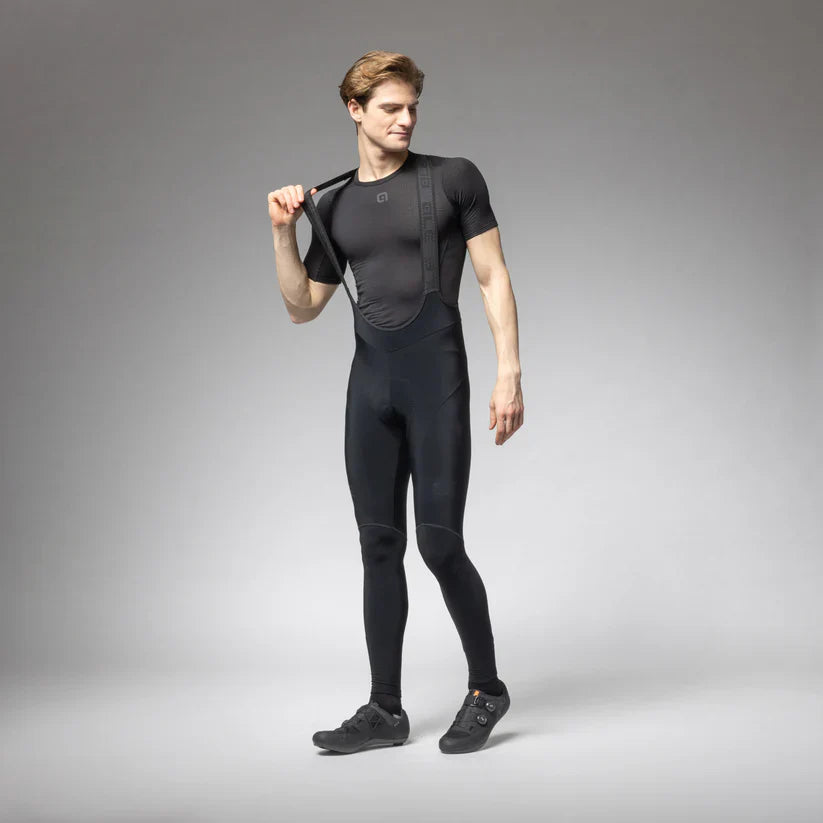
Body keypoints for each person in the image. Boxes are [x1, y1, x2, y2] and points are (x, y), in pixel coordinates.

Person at [268, 50, 523, 754]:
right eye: (389, 108)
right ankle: (385, 709)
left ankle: (487, 689)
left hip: (436, 379)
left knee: (439, 543)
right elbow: (302, 306)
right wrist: (283, 231)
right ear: (354, 110)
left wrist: (509, 372)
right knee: (378, 544)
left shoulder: (453, 178)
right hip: (370, 389)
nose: (405, 119)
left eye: (412, 107)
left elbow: (493, 276)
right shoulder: (333, 204)